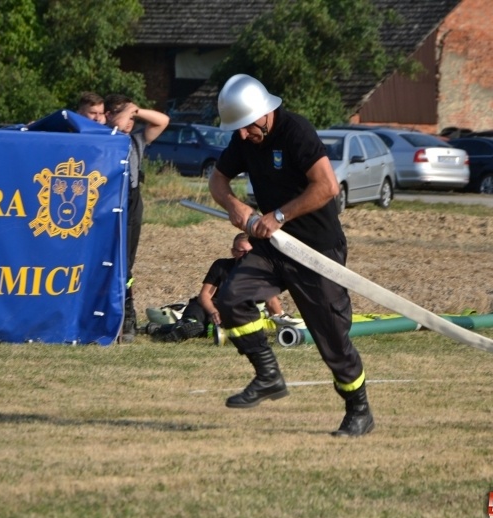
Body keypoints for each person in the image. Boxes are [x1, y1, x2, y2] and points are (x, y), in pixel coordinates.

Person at [207, 74, 374, 437]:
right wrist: (234, 205)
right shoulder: (244, 139)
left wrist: (279, 215)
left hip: (316, 249)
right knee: (232, 297)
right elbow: (217, 181)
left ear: (264, 114)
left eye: (247, 127)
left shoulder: (296, 131)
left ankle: (358, 409)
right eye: (236, 129)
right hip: (273, 248)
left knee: (332, 338)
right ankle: (268, 375)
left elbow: (327, 186)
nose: (241, 136)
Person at [104, 94, 170, 342]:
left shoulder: (135, 140)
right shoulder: (102, 138)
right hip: (108, 201)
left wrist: (135, 110)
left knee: (126, 262)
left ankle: (127, 314)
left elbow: (162, 121)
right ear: (108, 116)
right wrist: (123, 115)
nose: (130, 122)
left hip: (132, 200)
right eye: (126, 116)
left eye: (134, 118)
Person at [150, 233, 286, 342]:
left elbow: (271, 300)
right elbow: (204, 296)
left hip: (233, 312)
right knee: (194, 319)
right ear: (233, 252)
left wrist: (282, 322)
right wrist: (214, 312)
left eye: (249, 252)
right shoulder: (221, 266)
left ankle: (159, 329)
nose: (246, 256)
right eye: (242, 251)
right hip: (208, 308)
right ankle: (179, 328)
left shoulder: (259, 272)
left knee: (204, 328)